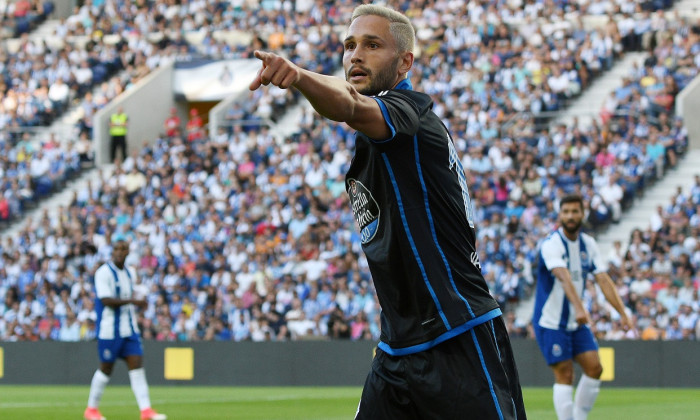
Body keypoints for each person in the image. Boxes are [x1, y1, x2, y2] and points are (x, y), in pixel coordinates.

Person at [249, 4, 525, 419]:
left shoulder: (409, 115)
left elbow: (351, 106)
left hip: (457, 337)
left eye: (372, 45)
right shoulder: (374, 137)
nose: (355, 55)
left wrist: (300, 76)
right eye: (349, 45)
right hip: (397, 349)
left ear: (404, 62)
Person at [533, 194, 632, 420]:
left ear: (582, 213)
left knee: (595, 368)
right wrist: (579, 308)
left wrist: (623, 312)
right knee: (565, 374)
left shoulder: (589, 244)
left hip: (575, 322)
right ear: (559, 215)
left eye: (574, 211)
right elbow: (564, 277)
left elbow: (603, 279)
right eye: (566, 211)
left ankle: (579, 417)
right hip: (551, 322)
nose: (570, 216)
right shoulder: (551, 244)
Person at [84, 239, 166, 420]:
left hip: (129, 329)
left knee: (137, 366)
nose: (120, 252)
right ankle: (91, 409)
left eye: (123, 249)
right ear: (112, 252)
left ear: (128, 252)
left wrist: (139, 300)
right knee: (106, 369)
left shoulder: (130, 273)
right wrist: (134, 301)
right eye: (117, 249)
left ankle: (146, 411)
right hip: (109, 331)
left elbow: (129, 295)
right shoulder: (103, 272)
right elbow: (106, 300)